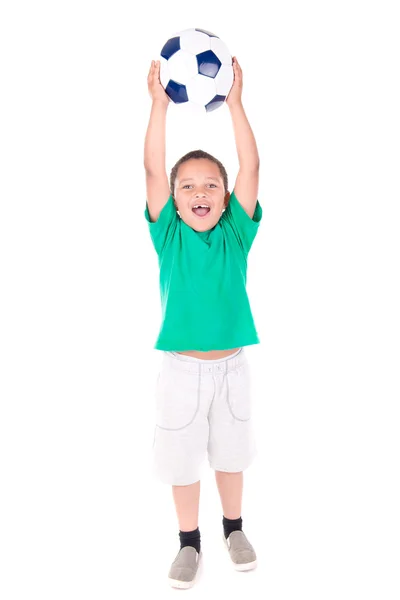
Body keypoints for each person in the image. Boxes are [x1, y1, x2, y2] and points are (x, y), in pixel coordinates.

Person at [144, 56, 262, 589]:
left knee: (231, 456)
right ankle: (188, 541)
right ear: (172, 199)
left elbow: (251, 169)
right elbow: (152, 170)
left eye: (210, 186)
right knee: (181, 460)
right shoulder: (168, 236)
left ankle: (233, 528)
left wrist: (235, 104)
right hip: (181, 372)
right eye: (187, 186)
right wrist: (158, 109)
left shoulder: (237, 234)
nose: (199, 194)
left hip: (232, 370)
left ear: (225, 196)